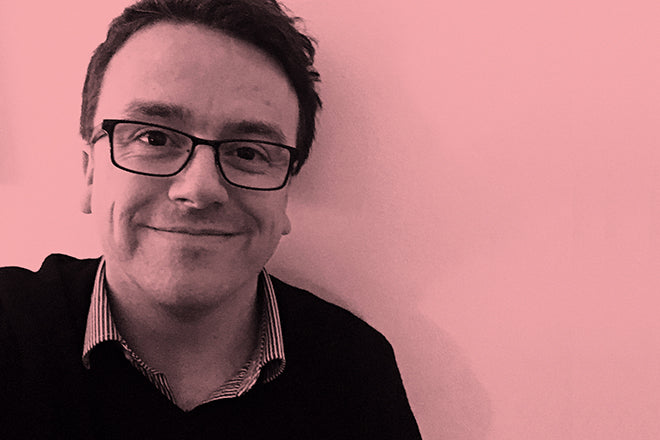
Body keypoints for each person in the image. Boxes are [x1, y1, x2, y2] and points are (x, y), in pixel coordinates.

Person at [0, 0, 421, 438]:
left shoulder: (355, 372)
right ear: (90, 172)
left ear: (286, 194)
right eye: (154, 138)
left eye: (248, 152)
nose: (199, 189)